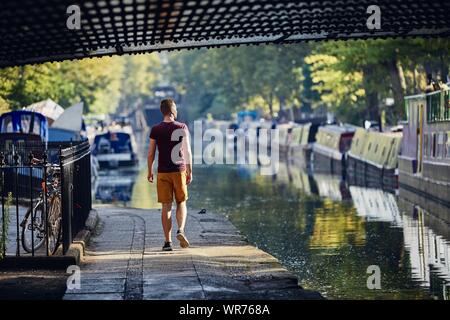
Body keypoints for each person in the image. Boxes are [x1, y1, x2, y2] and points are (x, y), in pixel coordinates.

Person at [147, 99, 193, 251]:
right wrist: (189, 170)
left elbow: (151, 153)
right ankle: (181, 230)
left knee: (166, 206)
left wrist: (149, 171)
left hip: (162, 172)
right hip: (179, 170)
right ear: (173, 110)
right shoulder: (181, 127)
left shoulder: (156, 129)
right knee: (181, 202)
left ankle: (167, 242)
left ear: (162, 111)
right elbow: (187, 151)